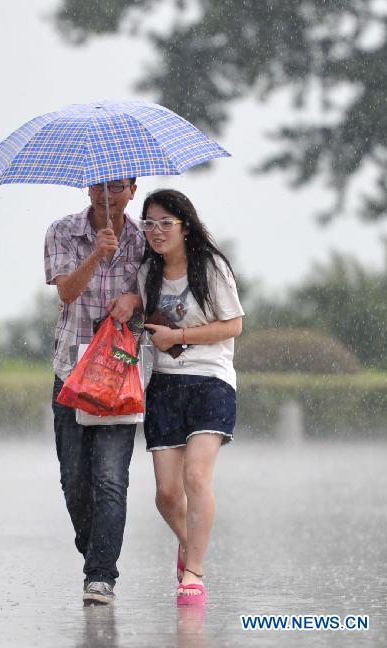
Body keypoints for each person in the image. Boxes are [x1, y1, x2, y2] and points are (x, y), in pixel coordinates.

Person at [137, 189, 244, 606]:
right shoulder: (147, 274)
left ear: (185, 225)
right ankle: (189, 543)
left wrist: (178, 336)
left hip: (211, 381)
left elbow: (233, 325)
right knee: (166, 494)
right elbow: (139, 317)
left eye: (166, 223)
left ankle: (194, 573)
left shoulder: (211, 267)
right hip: (163, 385)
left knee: (196, 477)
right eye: (149, 224)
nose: (157, 232)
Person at [44, 178, 145, 605]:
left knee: (109, 479)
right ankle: (96, 552)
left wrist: (134, 301)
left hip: (119, 375)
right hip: (71, 372)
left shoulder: (144, 239)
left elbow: (156, 293)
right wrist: (96, 255)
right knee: (74, 480)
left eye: (119, 187)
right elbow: (66, 291)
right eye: (102, 186)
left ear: (133, 190)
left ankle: (101, 576)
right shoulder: (62, 231)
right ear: (88, 190)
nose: (110, 194)